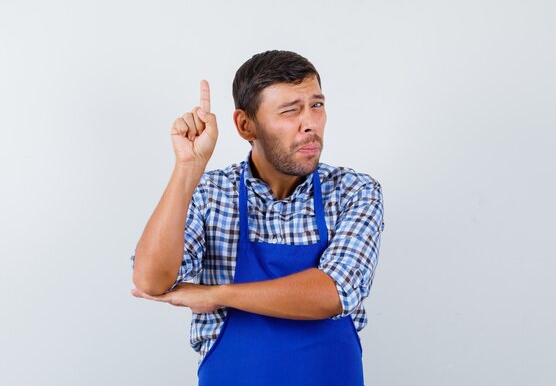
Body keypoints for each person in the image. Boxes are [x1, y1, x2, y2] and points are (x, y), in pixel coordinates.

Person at [130, 50, 385, 386]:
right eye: (290, 111)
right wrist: (187, 169)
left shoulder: (354, 191)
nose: (309, 123)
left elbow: (333, 292)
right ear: (245, 125)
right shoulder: (210, 194)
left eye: (316, 105)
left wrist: (216, 294)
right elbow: (150, 280)